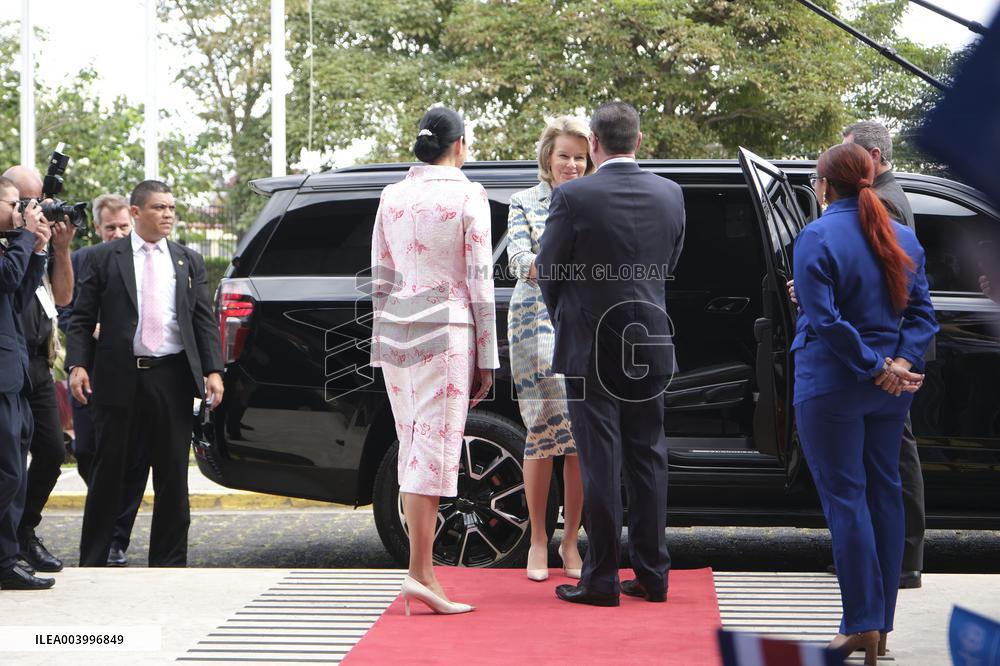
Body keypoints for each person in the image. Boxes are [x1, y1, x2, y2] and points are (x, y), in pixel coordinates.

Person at [536, 101, 685, 607]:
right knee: (649, 458)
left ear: (594, 145)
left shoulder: (574, 196)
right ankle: (653, 574)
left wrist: (567, 319)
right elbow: (670, 263)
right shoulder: (671, 194)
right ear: (638, 142)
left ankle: (600, 579)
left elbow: (549, 272)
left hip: (589, 345)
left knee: (601, 461)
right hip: (652, 341)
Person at [792, 142, 937, 662]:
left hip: (832, 385)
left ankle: (861, 623)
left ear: (826, 186)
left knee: (847, 501)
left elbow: (826, 320)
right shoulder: (902, 237)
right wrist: (898, 363)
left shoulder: (816, 234)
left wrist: (874, 366)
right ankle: (881, 626)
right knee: (885, 496)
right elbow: (923, 316)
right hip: (890, 392)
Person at [370, 106, 498, 615]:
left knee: (411, 443)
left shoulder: (392, 194)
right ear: (460, 145)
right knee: (434, 445)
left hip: (398, 325)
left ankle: (420, 570)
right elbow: (480, 279)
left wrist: (384, 332)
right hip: (446, 324)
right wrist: (487, 356)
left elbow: (380, 272)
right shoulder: (469, 192)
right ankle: (421, 572)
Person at [67, 180, 224, 567]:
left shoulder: (188, 260)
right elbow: (82, 318)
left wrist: (213, 370)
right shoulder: (106, 258)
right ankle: (94, 559)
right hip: (119, 376)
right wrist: (78, 364)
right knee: (109, 471)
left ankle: (169, 564)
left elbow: (203, 320)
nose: (168, 214)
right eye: (158, 207)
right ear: (136, 212)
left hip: (170, 377)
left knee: (172, 474)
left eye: (171, 207)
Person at [507, 116, 594, 582]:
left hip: (583, 323)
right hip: (534, 323)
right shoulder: (523, 201)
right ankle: (537, 538)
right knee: (542, 429)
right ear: (548, 156)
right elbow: (521, 262)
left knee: (580, 434)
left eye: (580, 156)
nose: (572, 164)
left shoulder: (595, 201)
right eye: (564, 154)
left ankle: (569, 540)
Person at [58, 193, 146, 567]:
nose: (117, 233)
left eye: (124, 226)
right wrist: (90, 331)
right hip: (90, 370)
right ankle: (105, 510)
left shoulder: (144, 263)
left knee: (134, 457)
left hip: (135, 374)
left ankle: (116, 537)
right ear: (96, 228)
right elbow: (64, 311)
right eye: (110, 227)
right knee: (88, 451)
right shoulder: (80, 261)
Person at [2, 166, 75, 575]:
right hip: (7, 363)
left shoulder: (32, 239)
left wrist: (56, 248)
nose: (34, 208)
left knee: (50, 451)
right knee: (8, 461)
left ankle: (24, 530)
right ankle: (9, 544)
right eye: (24, 202)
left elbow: (62, 297)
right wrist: (24, 239)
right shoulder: (11, 239)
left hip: (36, 362)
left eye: (38, 201)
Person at [0, 176, 54, 590]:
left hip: (13, 376)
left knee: (15, 471)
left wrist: (36, 250)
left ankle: (6, 560)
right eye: (16, 203)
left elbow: (17, 297)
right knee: (7, 473)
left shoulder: (10, 247)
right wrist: (23, 236)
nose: (23, 210)